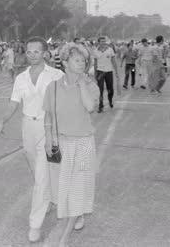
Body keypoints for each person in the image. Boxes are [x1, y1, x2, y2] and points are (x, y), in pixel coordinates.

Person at [0, 36, 64, 243]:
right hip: (28, 127)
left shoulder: (56, 75)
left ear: (45, 53)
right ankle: (55, 200)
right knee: (38, 171)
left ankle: (35, 224)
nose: (32, 55)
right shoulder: (21, 77)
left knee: (41, 176)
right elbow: (13, 103)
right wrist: (2, 121)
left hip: (49, 126)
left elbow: (63, 103)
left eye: (36, 51)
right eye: (29, 51)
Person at [43, 43, 98, 246]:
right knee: (66, 187)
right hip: (62, 142)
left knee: (77, 185)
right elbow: (48, 114)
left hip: (83, 142)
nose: (82, 63)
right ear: (65, 62)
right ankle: (79, 212)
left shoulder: (90, 85)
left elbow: (90, 106)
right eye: (77, 60)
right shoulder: (54, 87)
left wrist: (82, 83)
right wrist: (49, 138)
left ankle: (64, 237)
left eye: (84, 60)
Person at [93, 37, 119, 113]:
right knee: (100, 90)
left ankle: (110, 100)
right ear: (98, 42)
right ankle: (101, 106)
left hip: (109, 72)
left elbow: (113, 61)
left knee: (110, 89)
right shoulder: (95, 51)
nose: (103, 43)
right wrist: (95, 73)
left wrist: (116, 71)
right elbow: (95, 63)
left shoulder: (110, 50)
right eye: (102, 41)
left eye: (104, 41)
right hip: (100, 72)